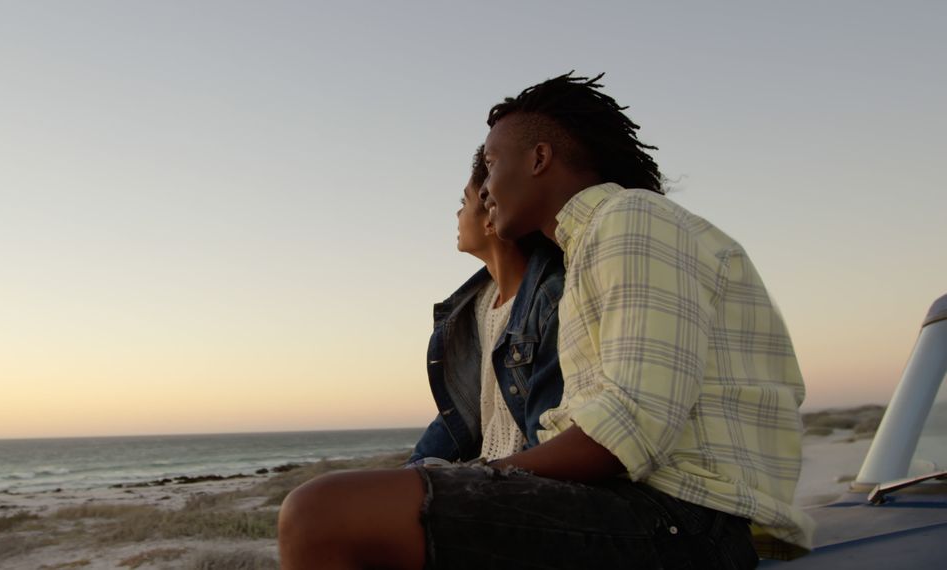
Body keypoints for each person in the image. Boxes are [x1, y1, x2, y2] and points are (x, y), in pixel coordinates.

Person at [277, 73, 812, 569]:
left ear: (539, 158)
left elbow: (628, 428)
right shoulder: (589, 249)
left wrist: (479, 478)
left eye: (490, 163)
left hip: (684, 521)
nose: (483, 187)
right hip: (645, 509)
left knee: (321, 512)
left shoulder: (630, 219)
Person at [409, 145, 565, 466]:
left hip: (520, 479)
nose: (457, 214)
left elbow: (549, 431)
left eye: (463, 203)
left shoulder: (551, 298)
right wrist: (408, 474)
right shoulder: (475, 305)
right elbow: (460, 412)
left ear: (491, 217)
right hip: (483, 472)